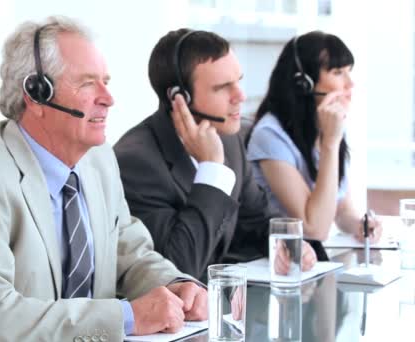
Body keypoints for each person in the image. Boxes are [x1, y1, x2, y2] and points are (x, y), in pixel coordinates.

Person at [0, 16, 207, 341]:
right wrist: (126, 317)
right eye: (88, 83)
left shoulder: (98, 159)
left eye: (106, 81)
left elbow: (129, 252)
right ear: (37, 94)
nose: (108, 98)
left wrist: (174, 284)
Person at [113, 29, 317, 283]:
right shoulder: (135, 162)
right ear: (180, 98)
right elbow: (178, 267)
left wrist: (286, 245)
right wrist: (211, 170)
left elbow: (255, 221)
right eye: (222, 88)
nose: (240, 96)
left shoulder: (229, 140)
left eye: (238, 81)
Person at [246, 31, 382, 243]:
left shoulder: (326, 127)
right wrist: (330, 144)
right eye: (338, 72)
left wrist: (359, 224)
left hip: (311, 261)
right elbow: (314, 229)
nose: (350, 84)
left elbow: (340, 208)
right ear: (304, 83)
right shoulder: (270, 135)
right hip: (277, 262)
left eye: (349, 71)